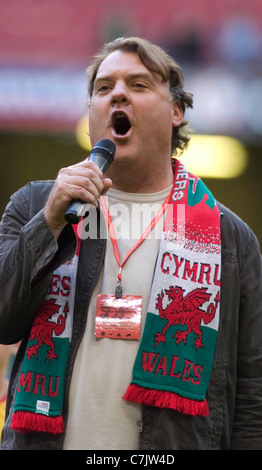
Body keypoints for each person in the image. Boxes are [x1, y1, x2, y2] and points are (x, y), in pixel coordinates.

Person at [0, 36, 262, 451]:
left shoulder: (230, 238)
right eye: (104, 89)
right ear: (91, 116)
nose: (118, 94)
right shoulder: (36, 205)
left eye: (138, 85)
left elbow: (251, 393)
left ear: (176, 111)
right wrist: (48, 222)